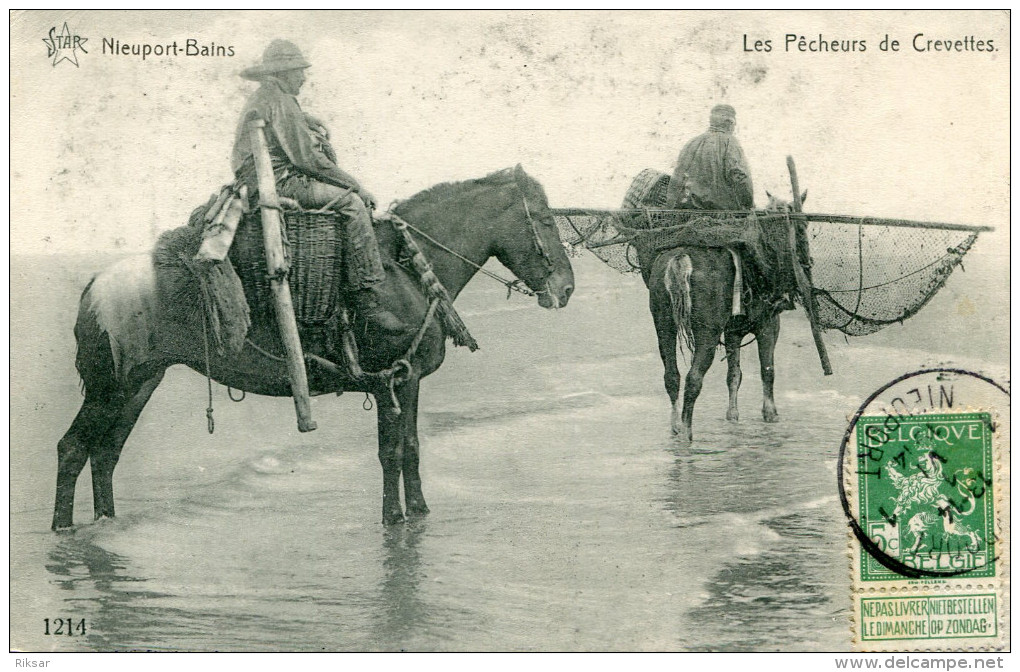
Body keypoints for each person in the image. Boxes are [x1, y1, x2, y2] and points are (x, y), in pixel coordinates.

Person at [231, 39, 405, 334]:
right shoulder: (280, 100)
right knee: (353, 204)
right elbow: (309, 160)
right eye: (298, 71)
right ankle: (366, 300)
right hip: (280, 184)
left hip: (263, 181)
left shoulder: (269, 96)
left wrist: (308, 119)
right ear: (283, 73)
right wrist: (356, 186)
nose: (303, 77)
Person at [665, 104, 754, 211]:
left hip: (687, 212)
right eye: (734, 124)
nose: (734, 128)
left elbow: (676, 179)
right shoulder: (730, 142)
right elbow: (740, 177)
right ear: (728, 122)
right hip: (720, 214)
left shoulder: (692, 143)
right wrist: (748, 204)